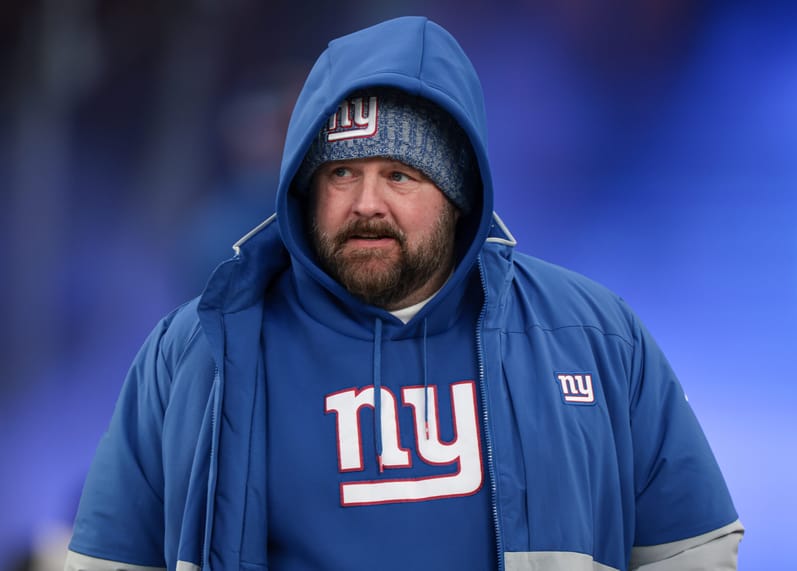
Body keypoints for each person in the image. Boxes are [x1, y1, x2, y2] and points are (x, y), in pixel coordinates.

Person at [64, 16, 743, 571]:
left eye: (400, 174)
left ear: (458, 191)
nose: (367, 203)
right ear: (304, 186)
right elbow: (107, 559)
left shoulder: (592, 337)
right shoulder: (196, 351)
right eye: (342, 173)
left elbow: (691, 550)